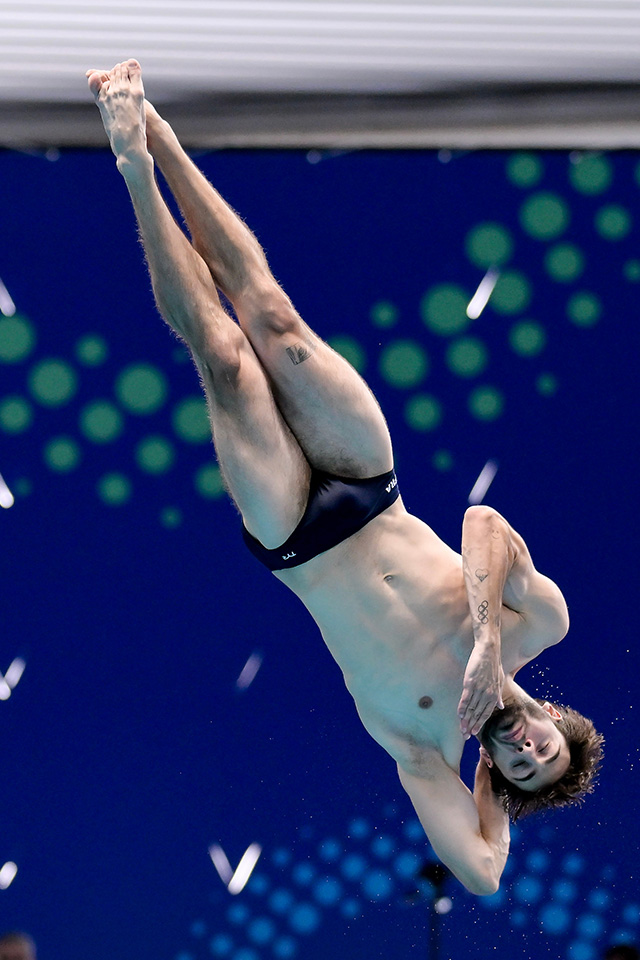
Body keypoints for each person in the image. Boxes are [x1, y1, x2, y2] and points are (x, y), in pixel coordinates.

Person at [86, 60, 603, 896]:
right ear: (554, 716)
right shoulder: (539, 623)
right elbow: (483, 523)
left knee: (224, 359)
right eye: (544, 747)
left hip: (297, 539)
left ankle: (133, 163)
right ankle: (164, 136)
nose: (526, 749)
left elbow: (483, 875)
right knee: (273, 317)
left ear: (499, 771)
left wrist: (493, 791)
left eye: (522, 767)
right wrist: (485, 645)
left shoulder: (422, 746)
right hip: (371, 485)